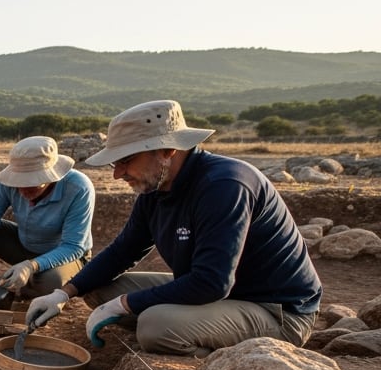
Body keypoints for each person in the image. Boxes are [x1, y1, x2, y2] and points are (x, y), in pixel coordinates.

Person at [26, 99, 322, 355]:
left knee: (155, 326)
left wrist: (125, 305)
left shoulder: (225, 186)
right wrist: (63, 294)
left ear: (167, 150)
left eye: (126, 160)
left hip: (273, 310)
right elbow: (122, 250)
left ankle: (225, 355)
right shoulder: (157, 186)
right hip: (219, 293)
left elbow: (212, 282)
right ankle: (192, 326)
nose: (118, 174)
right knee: (95, 288)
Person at [0, 136, 94, 316]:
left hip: (64, 255)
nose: (22, 190)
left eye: (31, 184)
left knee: (50, 281)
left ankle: (17, 294)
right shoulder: (8, 183)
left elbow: (73, 246)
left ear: (52, 176)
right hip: (24, 245)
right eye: (18, 183)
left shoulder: (78, 188)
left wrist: (31, 266)